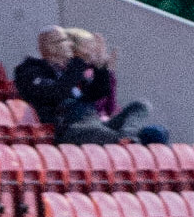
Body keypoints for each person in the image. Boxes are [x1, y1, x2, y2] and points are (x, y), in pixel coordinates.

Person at [14, 27, 168, 146]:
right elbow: (56, 92)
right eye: (62, 41)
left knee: (141, 106)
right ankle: (126, 139)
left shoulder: (70, 70)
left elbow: (97, 94)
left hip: (95, 122)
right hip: (70, 128)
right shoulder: (29, 70)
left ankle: (127, 136)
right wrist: (80, 61)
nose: (69, 44)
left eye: (68, 40)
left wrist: (101, 69)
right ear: (48, 47)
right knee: (153, 135)